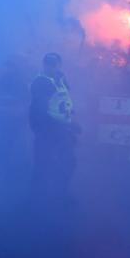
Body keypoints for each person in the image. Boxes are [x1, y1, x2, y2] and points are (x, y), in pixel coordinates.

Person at [29, 52, 79, 203]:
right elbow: (42, 108)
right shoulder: (39, 82)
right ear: (44, 64)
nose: (51, 67)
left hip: (62, 127)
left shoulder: (61, 78)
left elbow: (64, 101)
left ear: (59, 65)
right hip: (46, 127)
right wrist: (49, 125)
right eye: (48, 63)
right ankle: (36, 198)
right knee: (43, 162)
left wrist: (71, 120)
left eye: (54, 64)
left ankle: (62, 192)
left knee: (68, 161)